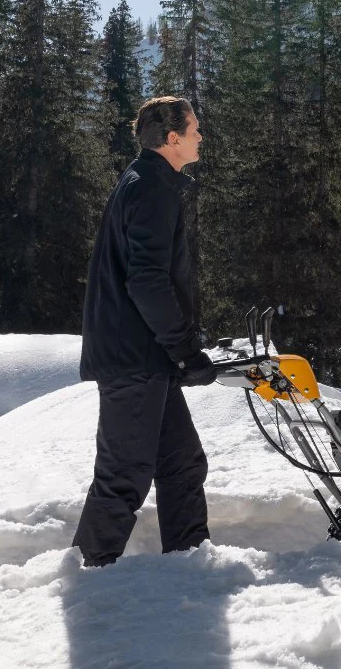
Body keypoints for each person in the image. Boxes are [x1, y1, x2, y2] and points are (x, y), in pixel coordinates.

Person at [72, 96, 215, 567]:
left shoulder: (150, 182)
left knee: (181, 464)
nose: (200, 137)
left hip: (147, 358)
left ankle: (189, 564)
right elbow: (146, 280)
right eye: (194, 130)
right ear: (171, 139)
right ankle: (89, 575)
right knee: (123, 476)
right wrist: (185, 349)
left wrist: (178, 352)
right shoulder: (150, 187)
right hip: (134, 359)